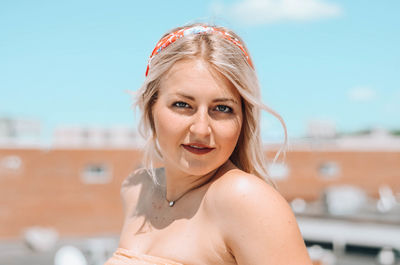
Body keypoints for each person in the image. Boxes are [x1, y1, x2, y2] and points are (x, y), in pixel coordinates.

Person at [105, 23, 312, 265]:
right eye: (182, 105)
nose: (201, 129)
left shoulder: (245, 199)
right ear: (151, 108)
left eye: (222, 108)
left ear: (243, 119)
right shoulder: (136, 188)